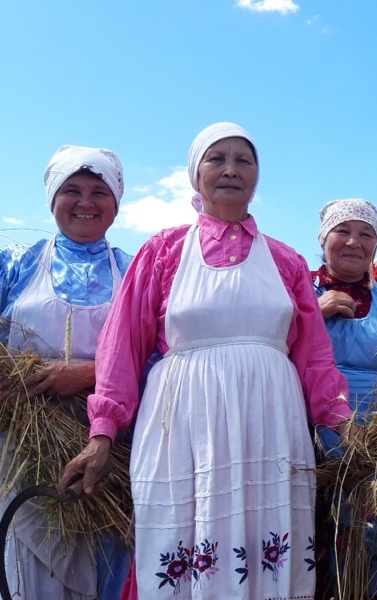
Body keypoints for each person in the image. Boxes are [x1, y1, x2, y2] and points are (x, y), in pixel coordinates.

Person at [57, 123, 352, 599]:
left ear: (257, 175)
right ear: (196, 175)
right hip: (184, 427)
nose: (231, 170)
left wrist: (342, 420)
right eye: (218, 159)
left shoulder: (287, 261)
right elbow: (122, 349)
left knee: (264, 545)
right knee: (182, 540)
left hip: (270, 426)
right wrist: (102, 434)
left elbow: (314, 358)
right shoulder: (162, 251)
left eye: (244, 160)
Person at [0, 145, 132, 599]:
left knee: (102, 558)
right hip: (23, 438)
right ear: (52, 198)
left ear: (116, 204)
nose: (85, 202)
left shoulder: (134, 272)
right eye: (71, 190)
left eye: (100, 191)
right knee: (23, 558)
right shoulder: (16, 266)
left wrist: (91, 374)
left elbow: (157, 356)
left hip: (108, 442)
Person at [313, 198, 377, 598]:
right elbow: (266, 349)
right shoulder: (298, 291)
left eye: (366, 234)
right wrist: (315, 311)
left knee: (376, 542)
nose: (354, 241)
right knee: (319, 541)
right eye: (343, 231)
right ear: (324, 240)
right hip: (315, 443)